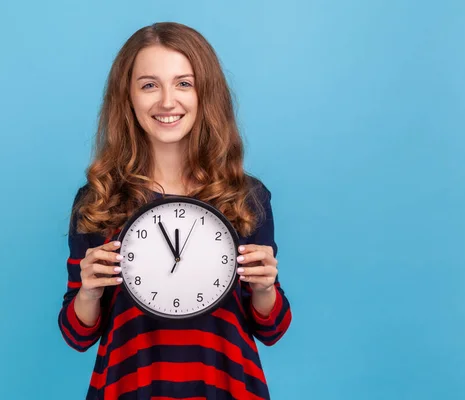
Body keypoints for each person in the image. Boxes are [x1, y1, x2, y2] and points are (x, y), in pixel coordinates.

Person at [57, 22, 292, 400]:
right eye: (149, 85)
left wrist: (264, 288)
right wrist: (86, 292)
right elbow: (76, 335)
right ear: (128, 97)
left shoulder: (245, 196)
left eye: (184, 83)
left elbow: (272, 329)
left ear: (206, 94)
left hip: (226, 385)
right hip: (132, 385)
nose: (167, 101)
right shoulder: (99, 199)